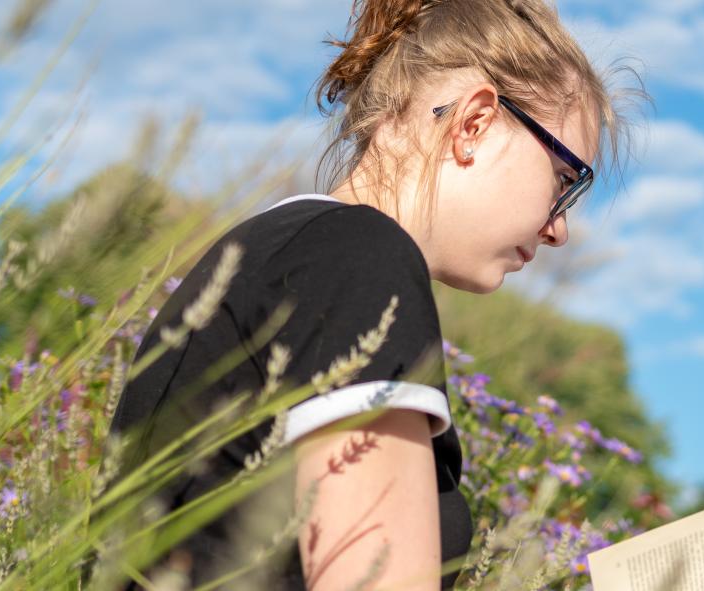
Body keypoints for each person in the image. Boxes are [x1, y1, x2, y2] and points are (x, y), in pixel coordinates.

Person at [107, 0, 637, 588]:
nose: (559, 229)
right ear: (475, 123)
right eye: (564, 181)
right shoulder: (358, 258)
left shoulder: (288, 249)